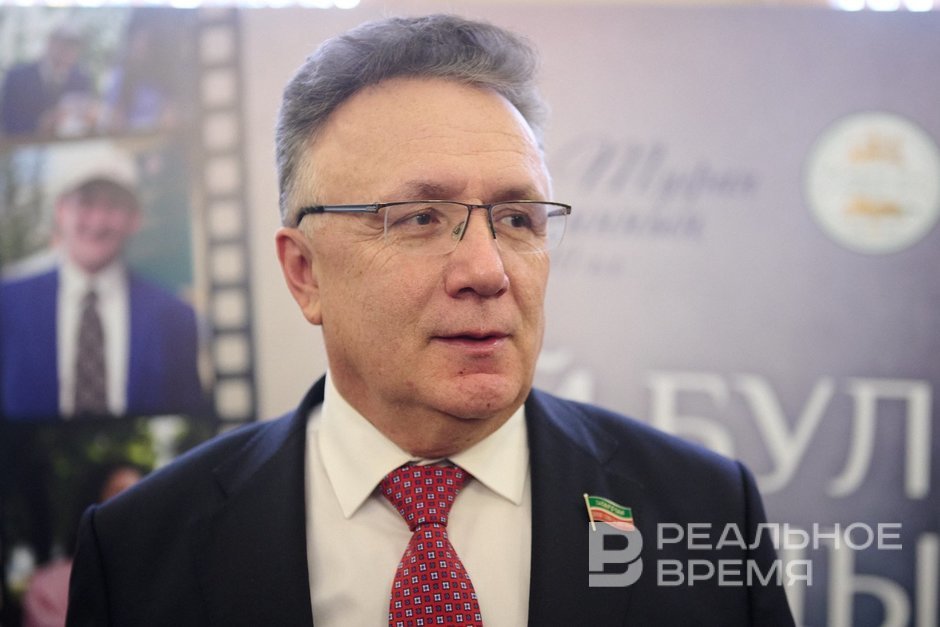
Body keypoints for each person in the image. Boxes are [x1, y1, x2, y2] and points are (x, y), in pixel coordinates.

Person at [65, 14, 795, 626]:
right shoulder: (139, 549)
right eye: (419, 218)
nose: (488, 270)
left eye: (517, 218)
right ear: (305, 273)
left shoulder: (702, 509)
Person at [0, 143, 206, 420]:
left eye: (113, 206)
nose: (97, 222)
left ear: (135, 219)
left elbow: (191, 419)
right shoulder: (8, 305)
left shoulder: (174, 317)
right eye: (85, 203)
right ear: (61, 211)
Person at [0, 24, 95, 137]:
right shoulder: (17, 77)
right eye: (64, 44)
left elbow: (85, 121)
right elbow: (8, 121)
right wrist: (40, 124)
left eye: (73, 46)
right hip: (25, 143)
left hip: (69, 145)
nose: (68, 51)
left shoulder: (81, 79)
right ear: (50, 43)